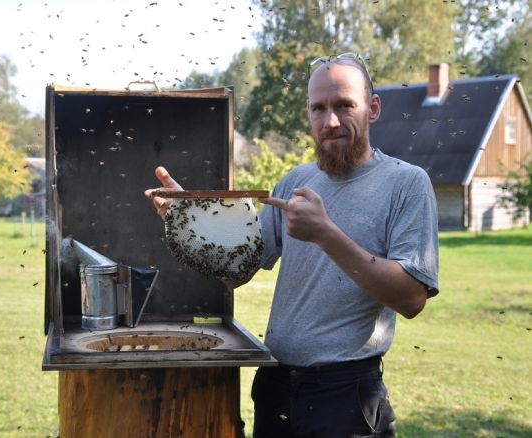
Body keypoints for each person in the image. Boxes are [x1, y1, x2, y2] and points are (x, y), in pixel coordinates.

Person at [145, 52, 439, 437]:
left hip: (347, 397)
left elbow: (412, 299)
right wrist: (188, 223)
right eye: (318, 109)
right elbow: (238, 270)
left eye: (344, 105)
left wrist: (325, 233)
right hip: (276, 386)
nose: (330, 121)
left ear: (373, 108)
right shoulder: (296, 181)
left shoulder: (406, 183)